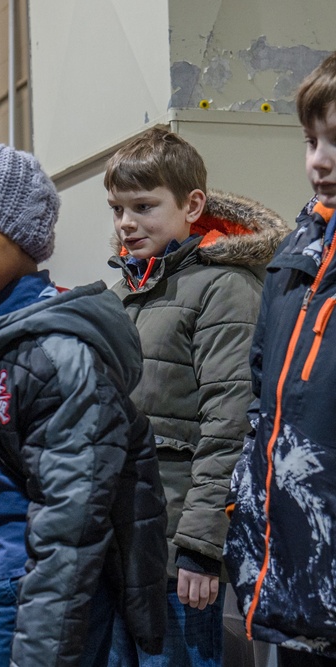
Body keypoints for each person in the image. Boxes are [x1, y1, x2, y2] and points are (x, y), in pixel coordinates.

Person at [0, 141, 169, 667]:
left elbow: (71, 516)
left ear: (22, 235)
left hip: (41, 594)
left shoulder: (53, 351)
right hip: (1, 584)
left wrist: (43, 640)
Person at [103, 128, 287, 666]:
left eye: (144, 206)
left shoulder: (225, 288)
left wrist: (203, 548)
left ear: (193, 205)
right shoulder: (124, 293)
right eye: (117, 209)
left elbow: (230, 423)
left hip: (177, 554)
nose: (127, 223)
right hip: (122, 550)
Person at [224, 50, 336, 666]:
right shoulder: (298, 253)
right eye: (310, 140)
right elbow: (260, 391)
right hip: (297, 567)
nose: (318, 161)